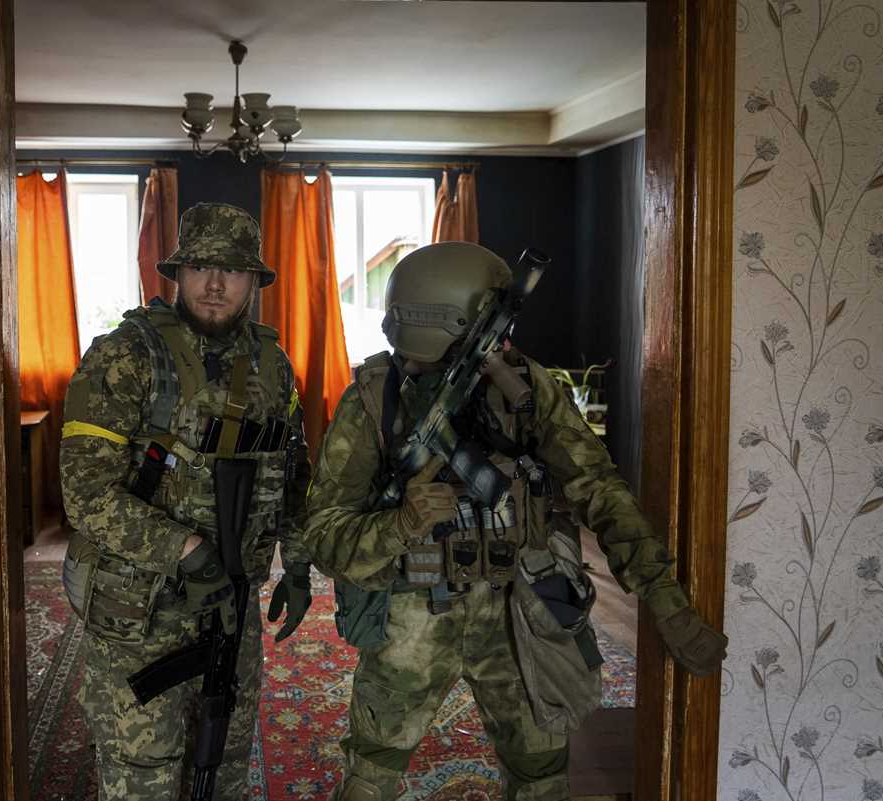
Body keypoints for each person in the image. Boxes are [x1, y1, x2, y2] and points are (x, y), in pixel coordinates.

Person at [303, 241, 728, 801]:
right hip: (412, 612)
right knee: (370, 777)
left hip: (519, 606)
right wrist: (400, 524)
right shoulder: (371, 400)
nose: (506, 341)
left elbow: (597, 487)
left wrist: (664, 599)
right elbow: (324, 536)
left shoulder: (526, 388)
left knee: (541, 775)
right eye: (495, 326)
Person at [59, 202, 314, 800]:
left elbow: (293, 475)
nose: (215, 284)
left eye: (233, 270)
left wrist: (299, 565)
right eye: (200, 267)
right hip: (142, 607)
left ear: (254, 280)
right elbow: (86, 495)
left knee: (222, 760)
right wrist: (188, 551)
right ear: (177, 273)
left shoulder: (273, 366)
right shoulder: (124, 356)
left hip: (232, 603)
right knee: (142, 773)